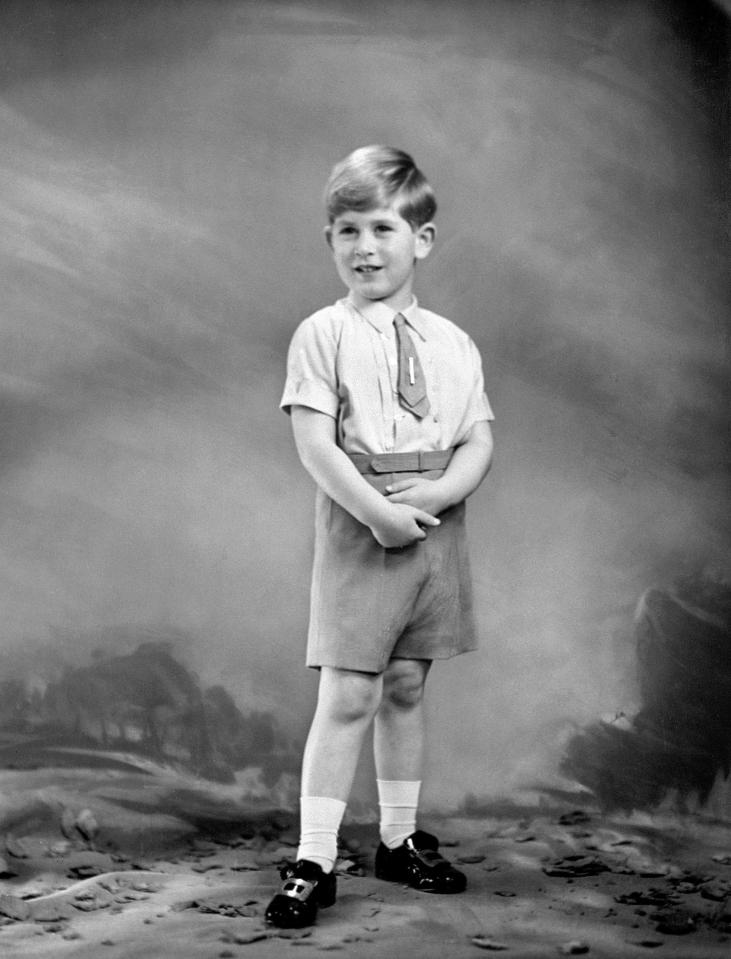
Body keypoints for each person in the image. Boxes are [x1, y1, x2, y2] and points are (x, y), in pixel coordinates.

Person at [265, 145, 494, 928]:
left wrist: (435, 494)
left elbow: (477, 439)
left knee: (404, 684)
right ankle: (316, 856)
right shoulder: (321, 334)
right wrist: (377, 512)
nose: (363, 247)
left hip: (434, 520)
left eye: (382, 228)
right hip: (364, 519)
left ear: (420, 239)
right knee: (351, 688)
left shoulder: (453, 343)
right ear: (329, 241)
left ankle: (398, 839)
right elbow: (315, 445)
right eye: (345, 231)